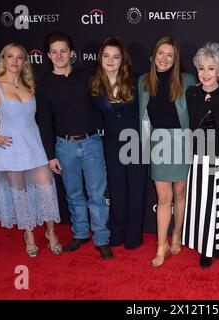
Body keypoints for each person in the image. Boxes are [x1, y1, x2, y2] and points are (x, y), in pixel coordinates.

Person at [0, 43, 62, 257]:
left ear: (25, 61)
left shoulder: (30, 84)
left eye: (19, 57)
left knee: (46, 190)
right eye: (10, 56)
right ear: (3, 60)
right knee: (20, 193)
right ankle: (29, 235)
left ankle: (51, 233)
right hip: (11, 148)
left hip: (34, 145)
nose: (14, 61)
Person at [36, 32, 113, 259]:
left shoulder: (87, 77)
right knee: (74, 194)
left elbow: (102, 107)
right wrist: (51, 155)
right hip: (64, 147)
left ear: (71, 53)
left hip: (91, 143)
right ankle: (80, 234)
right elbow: (45, 124)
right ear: (48, 55)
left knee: (97, 194)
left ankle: (101, 238)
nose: (59, 55)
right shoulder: (44, 86)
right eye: (54, 52)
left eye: (63, 50)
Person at [183, 43, 219, 268]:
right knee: (204, 205)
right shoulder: (192, 93)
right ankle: (205, 249)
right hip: (201, 158)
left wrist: (214, 102)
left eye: (210, 68)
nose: (205, 73)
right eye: (201, 68)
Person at [138, 36, 195, 267]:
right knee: (164, 198)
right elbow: (142, 117)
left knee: (180, 194)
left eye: (169, 55)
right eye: (160, 53)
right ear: (153, 56)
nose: (164, 59)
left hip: (182, 141)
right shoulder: (143, 81)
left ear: (175, 59)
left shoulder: (187, 80)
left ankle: (176, 235)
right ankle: (161, 246)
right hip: (158, 143)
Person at [91, 36, 148, 249]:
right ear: (100, 58)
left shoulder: (137, 81)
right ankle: (117, 232)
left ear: (122, 60)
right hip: (112, 144)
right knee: (117, 192)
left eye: (116, 57)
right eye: (106, 56)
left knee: (136, 191)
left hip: (136, 144)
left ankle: (134, 236)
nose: (110, 60)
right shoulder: (95, 84)